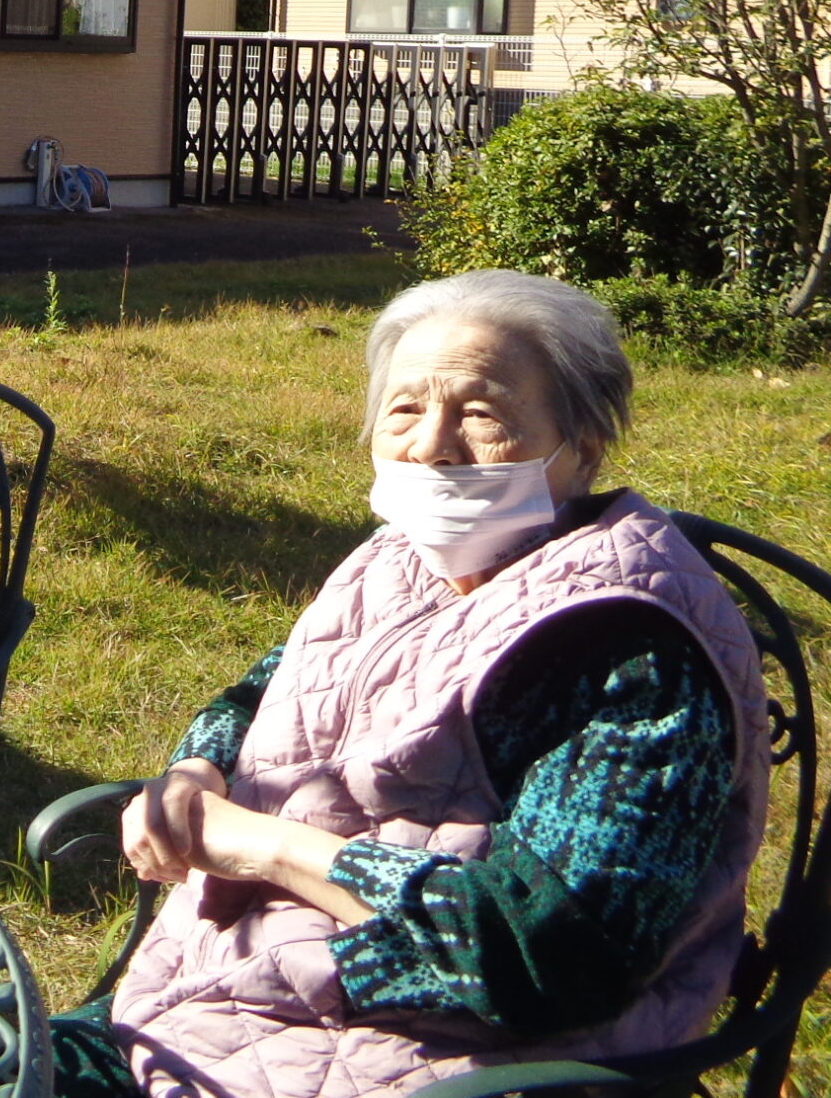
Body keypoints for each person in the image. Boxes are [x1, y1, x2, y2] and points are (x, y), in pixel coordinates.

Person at [54, 270, 771, 1097]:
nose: (432, 445)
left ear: (582, 447)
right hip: (207, 999)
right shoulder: (399, 561)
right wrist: (196, 768)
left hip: (423, 1059)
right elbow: (268, 688)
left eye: (482, 414)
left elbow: (549, 955)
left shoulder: (628, 644)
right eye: (403, 409)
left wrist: (263, 846)